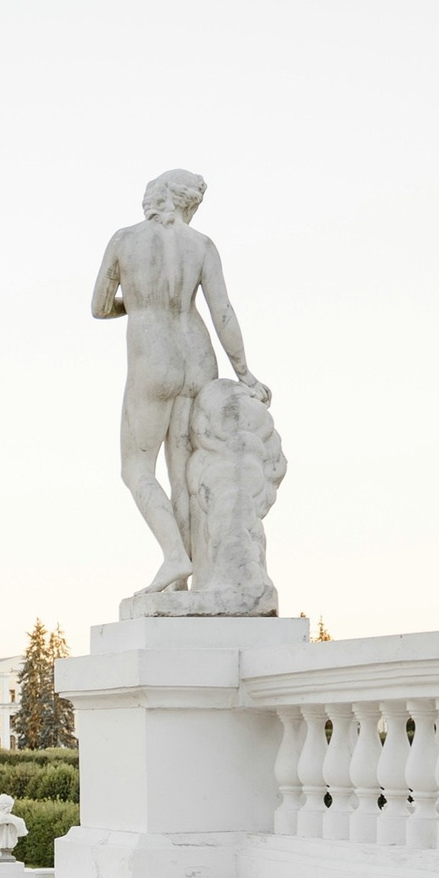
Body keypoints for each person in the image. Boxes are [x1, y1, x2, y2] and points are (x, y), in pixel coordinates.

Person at [90, 169, 267, 598]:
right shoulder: (201, 245)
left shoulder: (124, 240)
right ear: (186, 203)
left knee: (136, 469)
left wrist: (135, 303)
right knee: (185, 474)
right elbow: (222, 310)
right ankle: (189, 579)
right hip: (197, 353)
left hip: (154, 357)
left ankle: (174, 556)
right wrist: (245, 373)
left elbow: (98, 307)